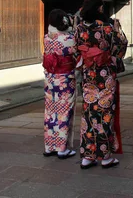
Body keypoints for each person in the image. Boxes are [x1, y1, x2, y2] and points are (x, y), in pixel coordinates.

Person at [75, 0, 128, 170]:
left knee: (89, 116)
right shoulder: (108, 28)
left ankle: (87, 156)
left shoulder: (79, 29)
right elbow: (121, 47)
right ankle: (105, 156)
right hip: (105, 78)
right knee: (105, 116)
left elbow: (76, 52)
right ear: (99, 9)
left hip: (89, 77)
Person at [42, 9, 78, 159]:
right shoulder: (68, 39)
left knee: (50, 112)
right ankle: (62, 148)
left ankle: (49, 146)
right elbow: (76, 50)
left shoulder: (47, 38)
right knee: (64, 112)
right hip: (65, 79)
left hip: (50, 79)